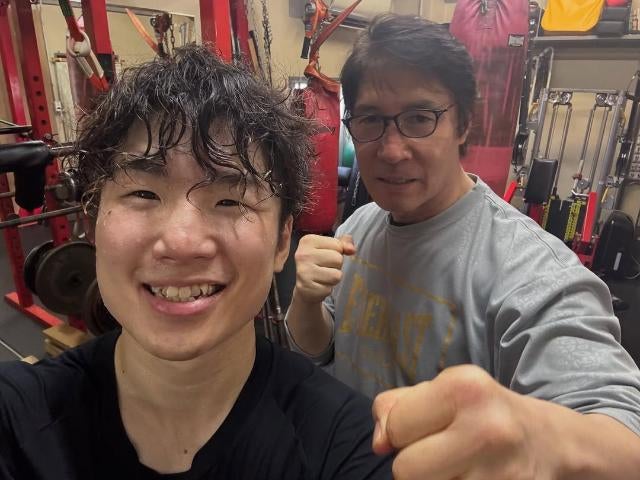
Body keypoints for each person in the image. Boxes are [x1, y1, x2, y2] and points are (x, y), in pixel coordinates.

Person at [0, 45, 392, 479]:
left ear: (283, 241)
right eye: (144, 194)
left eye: (229, 201)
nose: (182, 242)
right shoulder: (17, 418)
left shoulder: (350, 448)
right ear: (93, 223)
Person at [285, 13, 640, 478]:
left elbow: (622, 433)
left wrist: (537, 441)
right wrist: (306, 301)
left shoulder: (530, 270)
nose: (391, 150)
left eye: (419, 118)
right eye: (371, 120)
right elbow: (321, 352)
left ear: (465, 124)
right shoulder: (359, 226)